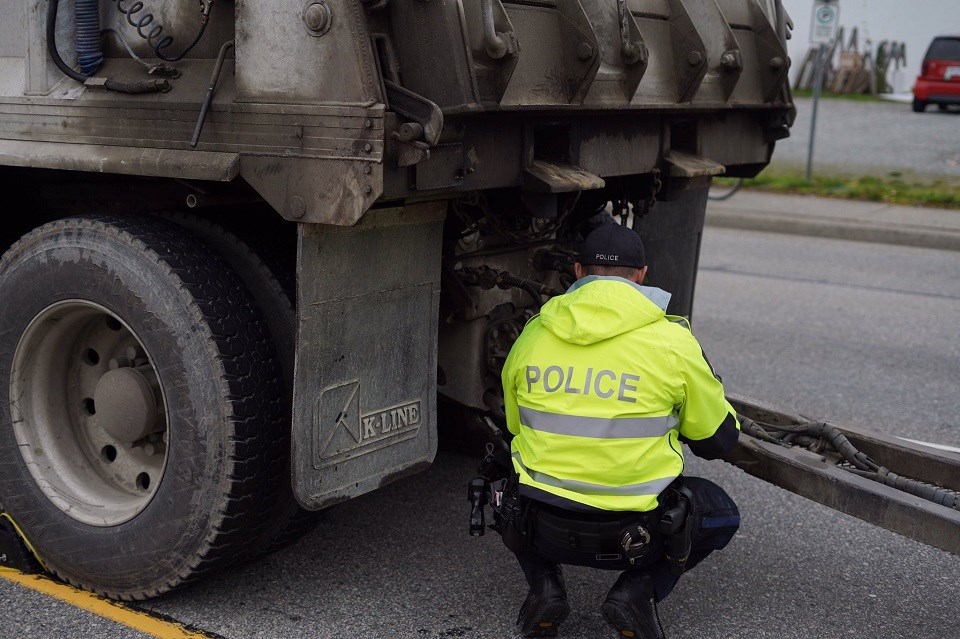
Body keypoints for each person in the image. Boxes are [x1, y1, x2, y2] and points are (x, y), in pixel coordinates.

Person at [499, 223, 741, 638]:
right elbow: (720, 441)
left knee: (501, 487)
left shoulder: (534, 333)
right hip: (637, 534)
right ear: (642, 275)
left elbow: (514, 426)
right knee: (721, 512)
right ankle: (636, 592)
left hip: (545, 528)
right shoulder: (671, 340)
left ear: (578, 271)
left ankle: (545, 588)